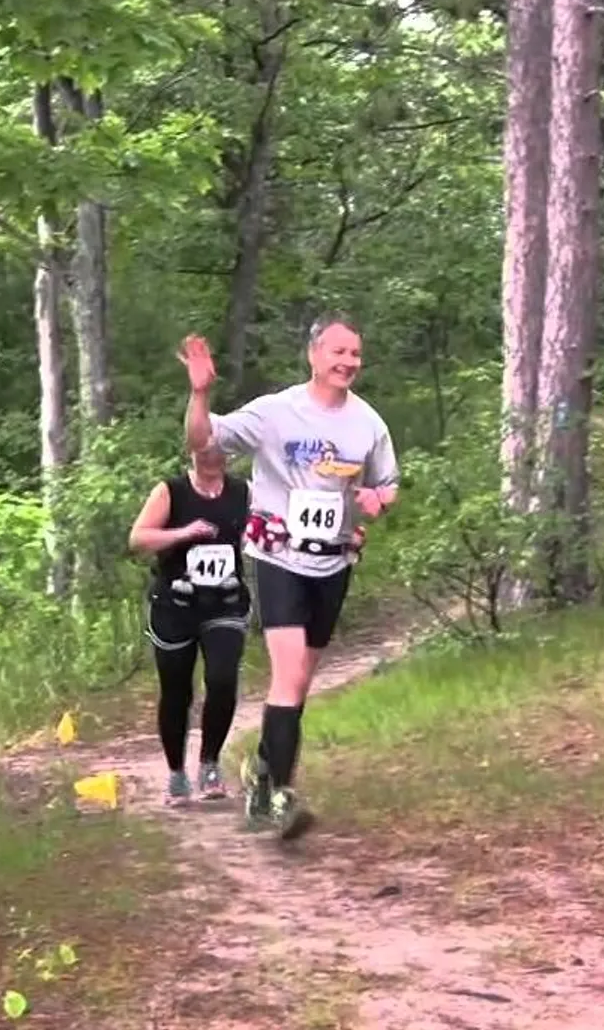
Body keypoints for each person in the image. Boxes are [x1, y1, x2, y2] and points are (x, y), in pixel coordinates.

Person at [177, 315, 399, 840]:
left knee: (298, 686)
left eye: (355, 354)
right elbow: (203, 441)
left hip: (334, 562)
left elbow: (387, 485)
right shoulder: (276, 412)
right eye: (338, 352)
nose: (348, 362)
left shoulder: (368, 423)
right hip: (279, 558)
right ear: (314, 355)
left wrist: (376, 501)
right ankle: (279, 795)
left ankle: (260, 777)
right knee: (289, 676)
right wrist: (200, 394)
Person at [126, 445, 252, 807]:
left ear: (228, 453)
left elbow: (267, 530)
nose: (211, 456)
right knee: (176, 692)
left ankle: (210, 764)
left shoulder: (244, 491)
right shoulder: (171, 491)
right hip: (175, 604)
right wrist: (183, 534)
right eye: (203, 449)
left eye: (218, 449)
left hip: (225, 602)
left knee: (223, 679)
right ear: (191, 452)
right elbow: (138, 539)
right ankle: (176, 773)